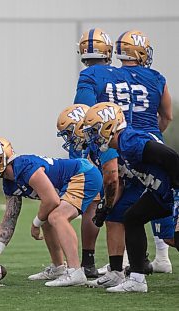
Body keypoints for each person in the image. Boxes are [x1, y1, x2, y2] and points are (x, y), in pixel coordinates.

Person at [0, 137, 102, 287]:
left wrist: (35, 223)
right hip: (73, 180)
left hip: (84, 174)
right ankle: (58, 268)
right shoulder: (9, 182)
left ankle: (75, 271)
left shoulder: (25, 166)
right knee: (48, 220)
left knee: (56, 217)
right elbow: (10, 217)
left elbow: (52, 200)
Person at [84, 102, 179, 293]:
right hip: (161, 192)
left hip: (172, 190)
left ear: (109, 126)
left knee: (175, 235)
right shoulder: (121, 145)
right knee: (132, 217)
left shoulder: (130, 140)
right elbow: (123, 181)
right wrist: (106, 206)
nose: (93, 135)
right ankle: (137, 279)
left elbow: (171, 157)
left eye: (95, 130)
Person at [72, 28, 130, 278]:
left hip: (104, 138)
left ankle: (88, 261)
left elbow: (84, 110)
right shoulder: (122, 74)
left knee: (96, 201)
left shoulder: (88, 76)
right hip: (128, 137)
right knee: (130, 201)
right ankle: (137, 260)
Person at [115, 30, 174, 273]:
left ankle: (128, 261)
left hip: (122, 141)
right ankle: (162, 257)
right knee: (159, 193)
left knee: (131, 200)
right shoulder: (156, 78)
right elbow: (167, 114)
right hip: (150, 141)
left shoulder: (113, 76)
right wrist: (156, 134)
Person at [56, 104, 125, 287]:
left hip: (129, 183)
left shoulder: (103, 140)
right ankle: (111, 264)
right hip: (114, 182)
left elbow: (114, 175)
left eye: (70, 132)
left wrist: (108, 204)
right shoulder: (84, 146)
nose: (69, 138)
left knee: (115, 216)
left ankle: (129, 264)